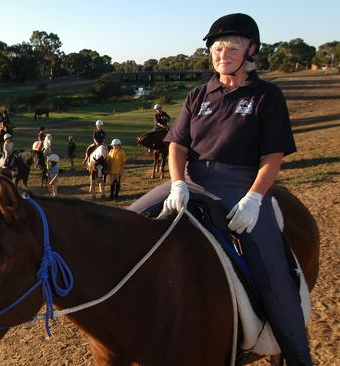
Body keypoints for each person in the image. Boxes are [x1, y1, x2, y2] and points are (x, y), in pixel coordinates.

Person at [128, 13, 312, 366]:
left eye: (230, 47)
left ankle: (299, 356)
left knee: (272, 271)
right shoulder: (199, 95)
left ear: (251, 50)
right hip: (191, 180)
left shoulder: (265, 95)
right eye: (215, 48)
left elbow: (273, 156)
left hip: (239, 185)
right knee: (125, 224)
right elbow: (177, 145)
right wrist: (178, 182)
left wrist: (254, 198)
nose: (221, 54)